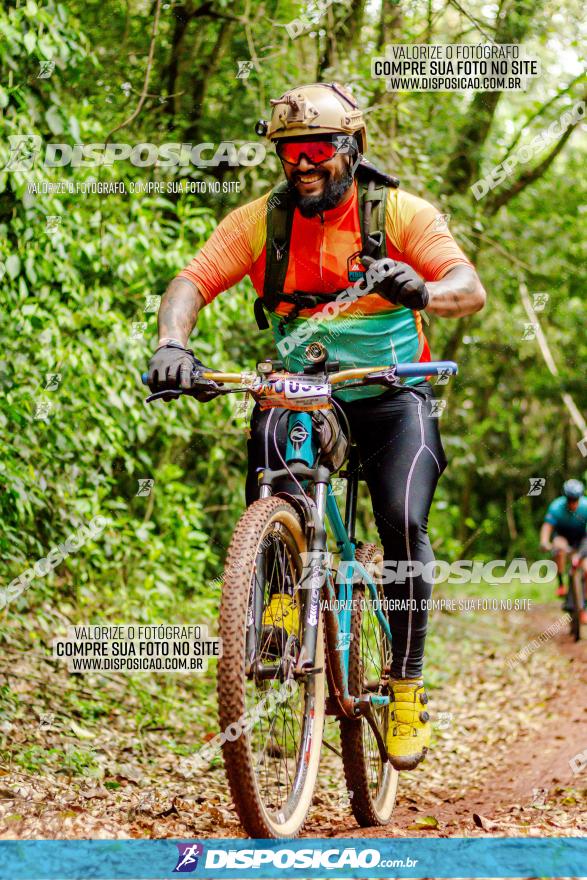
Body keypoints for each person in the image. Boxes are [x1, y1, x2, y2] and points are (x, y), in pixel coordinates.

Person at [147, 82, 486, 770]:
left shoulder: (399, 214)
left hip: (393, 392)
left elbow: (466, 288)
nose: (300, 164)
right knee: (276, 466)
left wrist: (420, 291)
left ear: (350, 149)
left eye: (315, 150)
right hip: (304, 387)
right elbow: (190, 283)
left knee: (399, 519)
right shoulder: (261, 221)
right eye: (287, 152)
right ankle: (277, 609)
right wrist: (172, 345)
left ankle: (407, 686)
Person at [540, 479, 587, 619]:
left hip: (581, 540)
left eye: (575, 500)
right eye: (570, 499)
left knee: (586, 569)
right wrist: (544, 542)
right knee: (559, 547)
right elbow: (547, 527)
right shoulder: (556, 507)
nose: (572, 503)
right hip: (562, 537)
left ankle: (583, 606)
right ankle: (561, 584)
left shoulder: (585, 506)